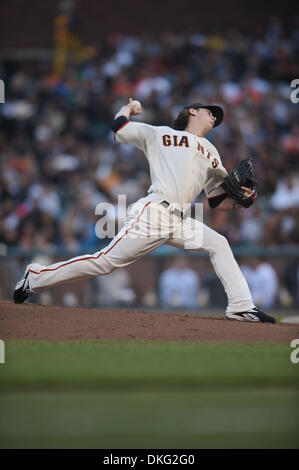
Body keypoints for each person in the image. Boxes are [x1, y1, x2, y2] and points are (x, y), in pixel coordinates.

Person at [13, 99, 275, 323]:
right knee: (104, 262)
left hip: (182, 220)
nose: (214, 117)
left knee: (219, 243)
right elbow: (118, 129)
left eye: (217, 117)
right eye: (210, 111)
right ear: (192, 112)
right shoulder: (158, 133)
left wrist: (243, 199)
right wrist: (128, 107)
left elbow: (219, 201)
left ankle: (241, 307)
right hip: (154, 213)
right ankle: (35, 277)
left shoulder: (212, 152)